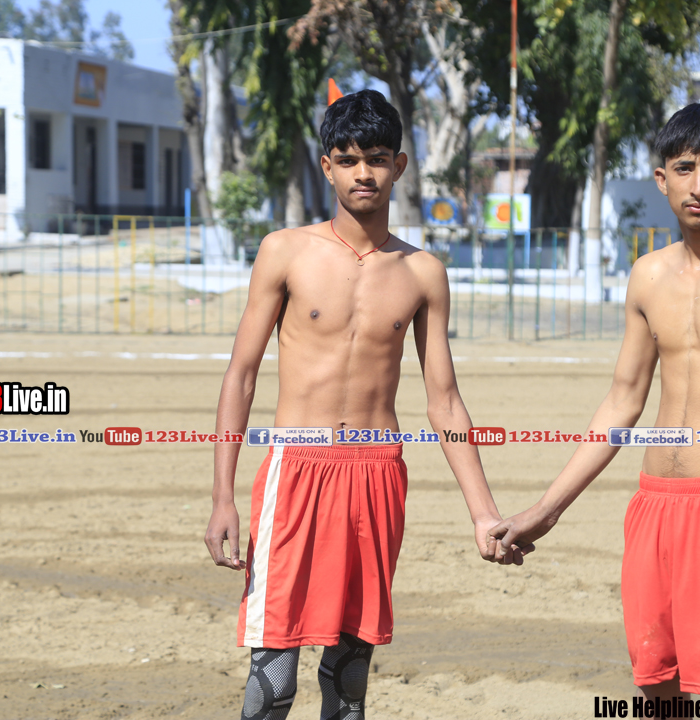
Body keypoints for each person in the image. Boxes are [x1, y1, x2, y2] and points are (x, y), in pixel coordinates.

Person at [204, 89, 528, 720]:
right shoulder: (285, 251)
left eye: (377, 159)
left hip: (377, 475)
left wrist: (482, 513)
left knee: (350, 678)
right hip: (295, 472)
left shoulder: (424, 273)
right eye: (348, 159)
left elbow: (445, 402)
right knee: (274, 678)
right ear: (327, 166)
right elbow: (240, 376)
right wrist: (223, 497)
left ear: (399, 166)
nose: (363, 173)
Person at [489, 103, 700, 700]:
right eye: (685, 168)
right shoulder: (647, 275)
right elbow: (623, 403)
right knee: (657, 689)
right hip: (654, 509)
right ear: (661, 179)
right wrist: (547, 509)